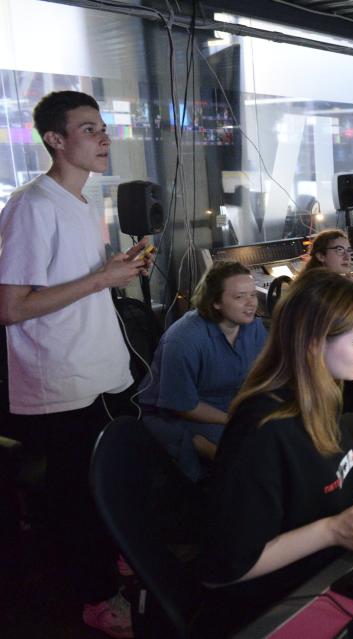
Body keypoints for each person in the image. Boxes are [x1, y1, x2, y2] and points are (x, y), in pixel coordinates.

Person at [0, 90, 154, 637]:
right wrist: (101, 279)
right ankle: (94, 600)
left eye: (103, 127)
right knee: (76, 498)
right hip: (60, 379)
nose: (104, 137)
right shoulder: (32, 206)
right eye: (89, 129)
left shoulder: (81, 204)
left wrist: (113, 270)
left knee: (105, 486)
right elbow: (12, 307)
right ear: (55, 140)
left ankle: (111, 563)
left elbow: (74, 287)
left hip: (99, 372)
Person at [199, 269, 353, 635]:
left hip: (331, 573)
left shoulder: (325, 393)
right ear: (314, 343)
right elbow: (225, 569)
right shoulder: (262, 430)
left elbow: (316, 483)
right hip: (278, 605)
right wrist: (334, 529)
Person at [138, 260, 267, 481]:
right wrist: (233, 420)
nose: (250, 304)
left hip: (227, 404)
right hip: (177, 414)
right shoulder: (184, 340)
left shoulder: (253, 327)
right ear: (215, 302)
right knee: (244, 460)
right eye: (239, 297)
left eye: (252, 295)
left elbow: (262, 374)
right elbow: (183, 406)